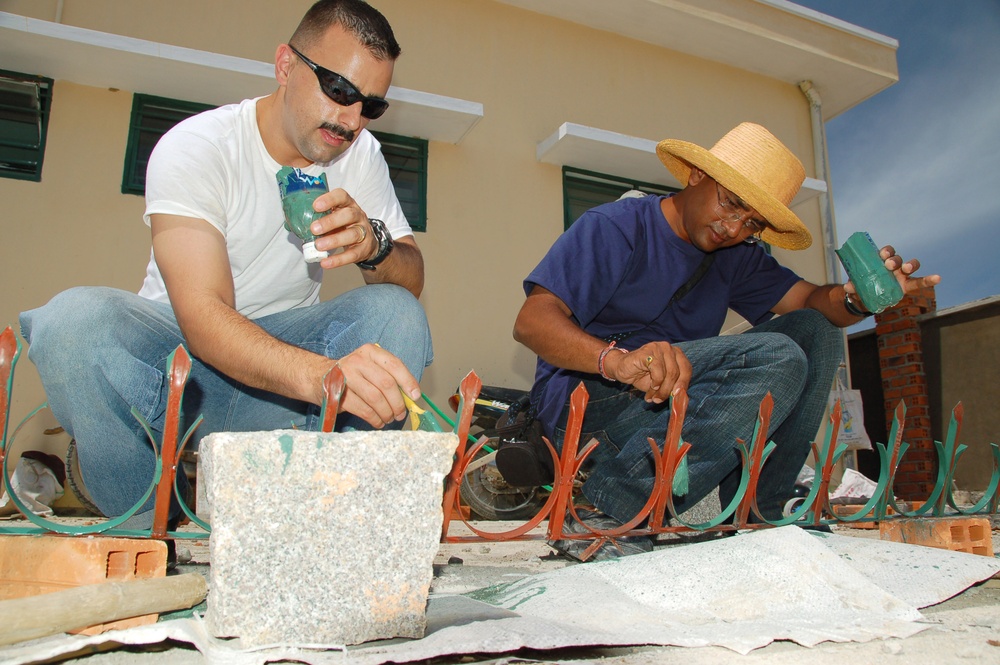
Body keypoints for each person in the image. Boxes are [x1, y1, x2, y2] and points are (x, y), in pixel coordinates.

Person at [18, 0, 432, 527]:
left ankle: (324, 522)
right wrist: (327, 376)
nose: (351, 120)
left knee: (395, 310)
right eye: (339, 90)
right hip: (179, 377)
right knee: (72, 323)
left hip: (283, 385)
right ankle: (147, 522)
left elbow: (412, 277)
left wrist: (375, 246)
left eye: (371, 106)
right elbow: (204, 314)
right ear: (285, 65)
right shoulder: (198, 147)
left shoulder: (359, 155)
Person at [513, 122, 940, 561]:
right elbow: (532, 322)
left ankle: (757, 511)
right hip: (590, 402)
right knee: (778, 355)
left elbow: (812, 302)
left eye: (751, 223)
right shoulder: (616, 227)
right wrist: (617, 361)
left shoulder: (736, 257)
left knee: (815, 332)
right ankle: (609, 511)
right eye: (732, 203)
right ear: (697, 174)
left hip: (669, 401)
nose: (734, 227)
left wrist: (855, 299)